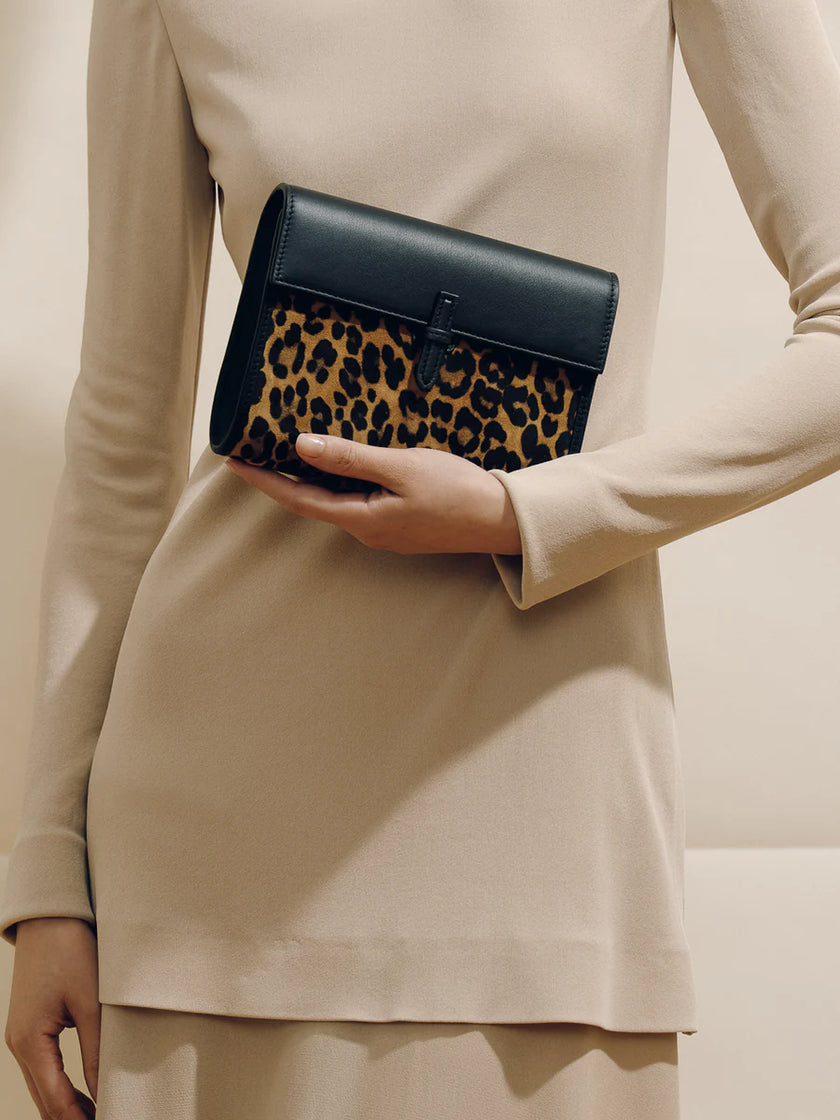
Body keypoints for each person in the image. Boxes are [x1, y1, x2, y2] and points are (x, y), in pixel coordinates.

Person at [4, 0, 840, 1116]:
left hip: (540, 823)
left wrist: (524, 510)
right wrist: (50, 872)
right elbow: (118, 444)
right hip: (210, 853)